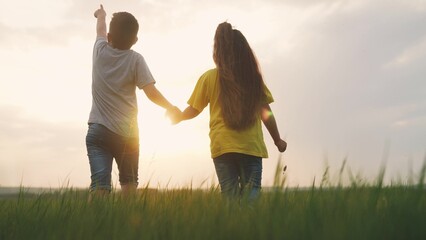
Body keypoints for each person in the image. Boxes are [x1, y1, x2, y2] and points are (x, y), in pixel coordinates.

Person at [172, 22, 287, 202]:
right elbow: (266, 113)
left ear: (219, 52)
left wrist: (179, 116)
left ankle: (231, 228)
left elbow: (194, 109)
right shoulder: (253, 80)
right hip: (251, 147)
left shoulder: (209, 77)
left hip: (222, 146)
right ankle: (249, 228)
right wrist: (277, 139)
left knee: (230, 197)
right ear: (245, 53)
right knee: (252, 196)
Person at [86, 5, 180, 197]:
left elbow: (100, 29)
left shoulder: (99, 51)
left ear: (109, 37)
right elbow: (151, 92)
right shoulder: (136, 60)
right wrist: (170, 108)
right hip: (127, 134)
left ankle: (93, 225)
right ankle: (128, 224)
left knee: (99, 185)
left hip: (98, 131)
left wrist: (101, 15)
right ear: (135, 40)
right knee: (129, 184)